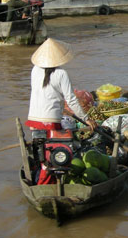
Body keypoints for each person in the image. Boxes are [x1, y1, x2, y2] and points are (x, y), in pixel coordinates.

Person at [26, 38, 96, 184]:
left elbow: (44, 94)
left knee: (41, 154)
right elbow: (70, 100)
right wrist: (86, 119)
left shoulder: (35, 70)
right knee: (54, 156)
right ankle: (45, 184)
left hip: (33, 120)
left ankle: (41, 180)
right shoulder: (61, 74)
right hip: (50, 121)